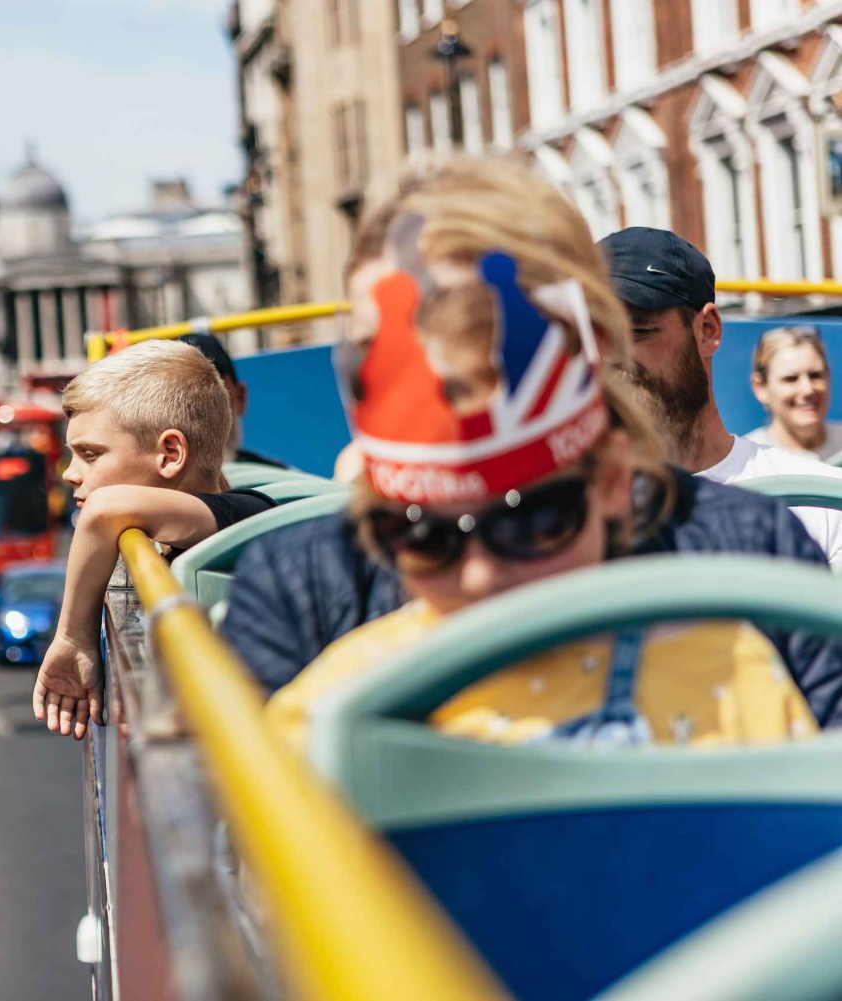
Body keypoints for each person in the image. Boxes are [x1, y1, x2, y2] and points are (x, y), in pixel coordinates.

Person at [220, 160, 842, 727]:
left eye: (536, 519)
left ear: (610, 479)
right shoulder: (298, 594)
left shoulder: (753, 553)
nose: (480, 575)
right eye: (419, 532)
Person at [32, 339, 278, 738]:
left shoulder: (248, 514)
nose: (69, 473)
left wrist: (73, 638)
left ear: (170, 454)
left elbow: (103, 510)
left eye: (90, 454)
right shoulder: (161, 535)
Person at [599, 227, 842, 567]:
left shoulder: (821, 499)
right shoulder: (563, 523)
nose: (611, 356)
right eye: (594, 334)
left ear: (707, 330)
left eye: (638, 331)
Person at [175, 332, 286, 466]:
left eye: (213, 387)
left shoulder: (279, 475)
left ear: (240, 397)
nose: (199, 406)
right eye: (183, 394)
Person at [746, 326, 842, 462]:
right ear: (761, 387)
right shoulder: (748, 460)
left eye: (815, 375)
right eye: (791, 379)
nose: (807, 390)